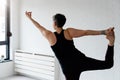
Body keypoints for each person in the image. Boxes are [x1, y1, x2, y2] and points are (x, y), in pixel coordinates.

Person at [25, 11, 115, 80]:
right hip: (80, 61)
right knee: (108, 64)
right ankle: (111, 43)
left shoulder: (49, 35)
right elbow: (86, 32)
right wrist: (103, 32)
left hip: (69, 69)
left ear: (55, 24)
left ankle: (111, 42)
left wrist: (30, 18)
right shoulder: (68, 32)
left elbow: (39, 27)